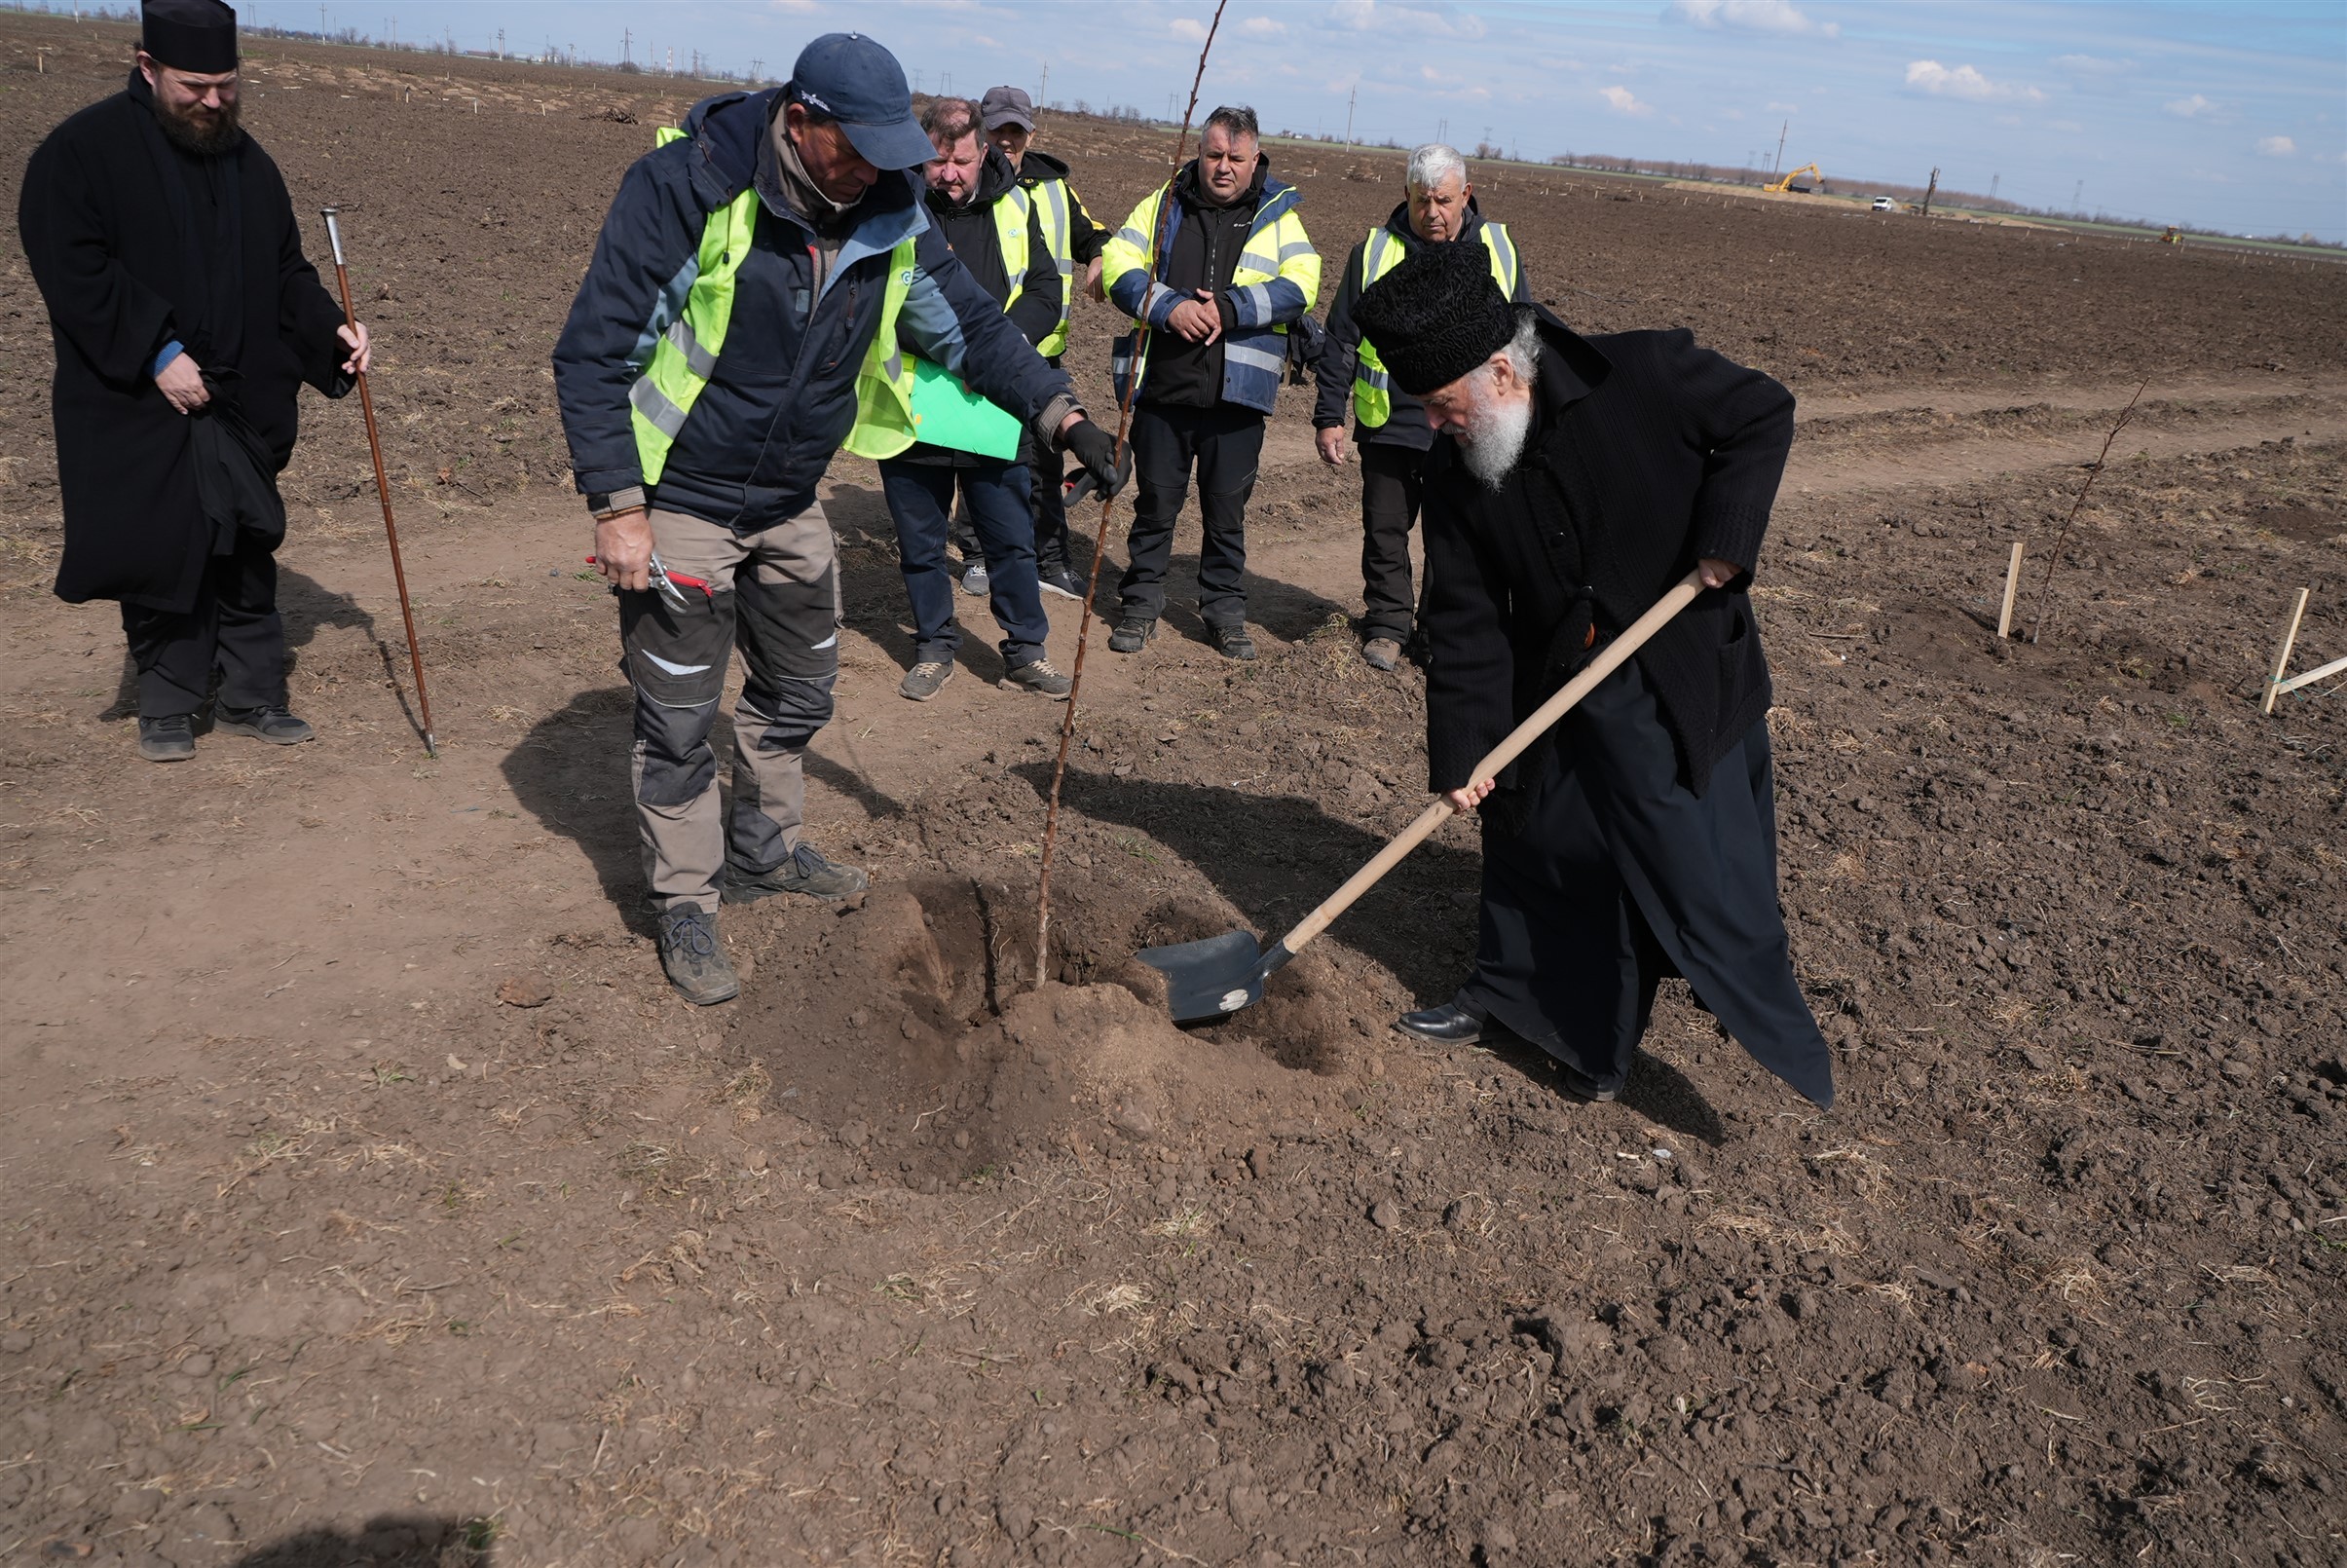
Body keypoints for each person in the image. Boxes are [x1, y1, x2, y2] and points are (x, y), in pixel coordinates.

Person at [552, 33, 1127, 1005]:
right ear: (800, 120)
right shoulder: (686, 189)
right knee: (682, 717)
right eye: (853, 147)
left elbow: (972, 329)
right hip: (682, 496)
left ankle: (767, 849)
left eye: (887, 149)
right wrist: (618, 508)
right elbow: (591, 353)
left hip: (788, 498)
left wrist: (1061, 414)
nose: (874, 168)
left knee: (802, 690)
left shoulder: (891, 210)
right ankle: (687, 901)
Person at [1351, 240, 1833, 1110]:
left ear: (1502, 372)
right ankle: (1510, 996)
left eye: (1442, 404)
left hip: (1674, 669)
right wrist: (1465, 755)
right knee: (1533, 834)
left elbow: (1764, 412)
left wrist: (1726, 537)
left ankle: (1618, 1027)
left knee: (1663, 859)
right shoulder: (1458, 474)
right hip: (1556, 681)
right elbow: (1463, 620)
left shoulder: (1644, 372)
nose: (1434, 424)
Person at [19, 0, 371, 764]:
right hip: (137, 399)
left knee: (244, 545)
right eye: (194, 86)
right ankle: (169, 704)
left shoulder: (250, 164)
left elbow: (285, 272)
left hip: (239, 398)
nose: (213, 102)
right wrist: (154, 350)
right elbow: (72, 268)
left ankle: (253, 696)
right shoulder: (81, 154)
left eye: (226, 85)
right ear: (147, 67)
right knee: (162, 548)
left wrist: (329, 331)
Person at [1099, 105, 1318, 661]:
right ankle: (1141, 605)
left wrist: (1231, 308)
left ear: (1255, 160)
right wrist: (1168, 308)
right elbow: (1119, 260)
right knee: (1154, 507)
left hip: (1236, 398)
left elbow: (1302, 283)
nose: (1223, 168)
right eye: (1214, 155)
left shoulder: (1277, 215)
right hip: (1162, 391)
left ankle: (1223, 612)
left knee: (1227, 514)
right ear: (1199, 153)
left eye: (1235, 159)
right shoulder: (1164, 203)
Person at [879, 97, 1068, 704]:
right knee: (921, 542)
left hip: (994, 404)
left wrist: (1004, 347)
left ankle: (1026, 651)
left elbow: (1046, 288)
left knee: (1011, 536)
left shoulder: (1017, 206)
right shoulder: (894, 212)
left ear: (982, 152)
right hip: (917, 403)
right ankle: (934, 646)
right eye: (938, 162)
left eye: (961, 161)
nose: (950, 174)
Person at [1314, 143, 1527, 673]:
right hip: (1390, 420)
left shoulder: (1499, 247)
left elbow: (1523, 337)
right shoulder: (1373, 251)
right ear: (1406, 195)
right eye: (1421, 200)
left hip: (1467, 425)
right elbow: (1341, 338)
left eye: (1444, 200)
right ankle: (1387, 625)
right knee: (1385, 528)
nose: (1433, 212)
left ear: (1466, 196)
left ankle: (1437, 630)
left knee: (1454, 534)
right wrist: (1328, 416)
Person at [980, 84, 1111, 603]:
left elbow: (1092, 232)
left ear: (1030, 134)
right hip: (982, 350)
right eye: (998, 132)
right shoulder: (966, 185)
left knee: (1045, 459)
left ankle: (1050, 560)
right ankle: (975, 556)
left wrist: (1100, 253)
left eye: (1016, 132)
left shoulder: (1055, 187)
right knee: (981, 450)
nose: (1007, 142)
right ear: (982, 132)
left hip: (1041, 351)